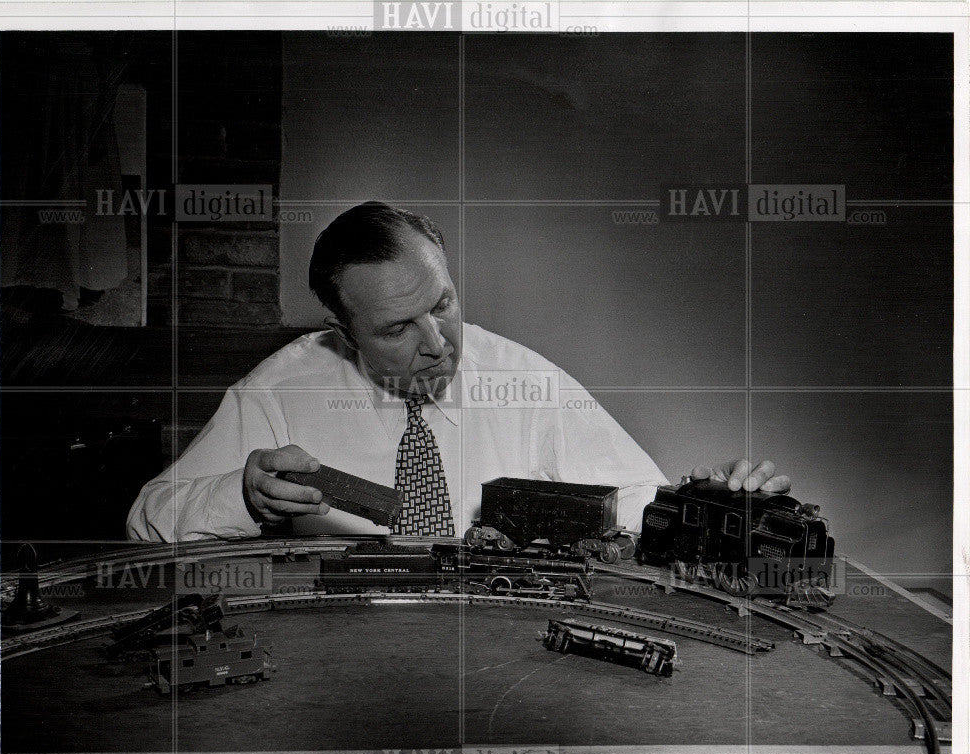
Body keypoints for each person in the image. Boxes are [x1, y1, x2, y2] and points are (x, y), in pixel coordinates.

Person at [126, 202, 789, 543]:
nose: (439, 342)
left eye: (442, 302)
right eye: (396, 328)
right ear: (341, 330)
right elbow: (148, 519)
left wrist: (710, 504)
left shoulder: (527, 383)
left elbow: (639, 499)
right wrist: (244, 497)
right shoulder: (278, 392)